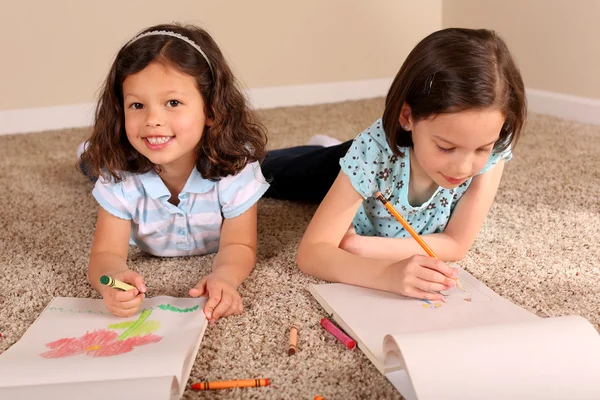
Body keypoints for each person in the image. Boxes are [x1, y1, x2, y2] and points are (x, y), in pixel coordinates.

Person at [261, 28, 526, 302]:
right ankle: (325, 150)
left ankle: (327, 148)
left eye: (481, 149)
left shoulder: (496, 143)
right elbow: (312, 252)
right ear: (407, 116)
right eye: (446, 147)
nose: (463, 168)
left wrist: (358, 246)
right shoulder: (371, 152)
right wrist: (386, 275)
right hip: (347, 164)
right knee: (259, 171)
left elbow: (456, 244)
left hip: (367, 173)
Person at [78, 23, 269, 321]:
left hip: (216, 155)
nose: (153, 120)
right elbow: (104, 256)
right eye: (137, 105)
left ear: (211, 110)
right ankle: (87, 152)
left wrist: (226, 277)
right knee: (94, 162)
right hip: (126, 160)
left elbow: (240, 244)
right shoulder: (117, 173)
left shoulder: (237, 168)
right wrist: (112, 280)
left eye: (173, 103)